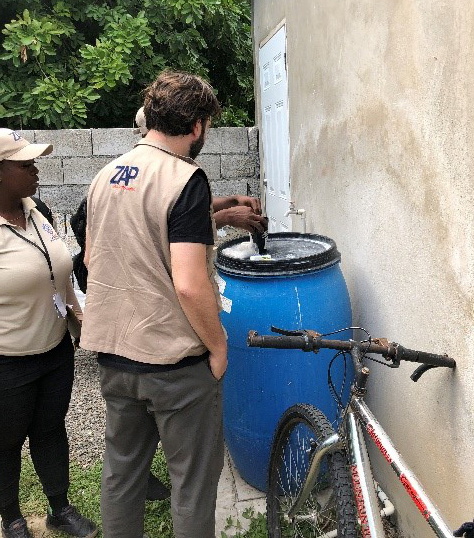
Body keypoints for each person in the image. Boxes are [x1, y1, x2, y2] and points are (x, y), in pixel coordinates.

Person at [81, 70, 228, 538]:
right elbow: (189, 283)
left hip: (114, 358)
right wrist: (218, 346)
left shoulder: (104, 176)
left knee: (122, 475)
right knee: (192, 484)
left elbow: (90, 259)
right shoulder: (186, 179)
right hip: (174, 366)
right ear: (198, 125)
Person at [0, 129, 97, 538]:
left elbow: (58, 277)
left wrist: (79, 318)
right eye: (25, 165)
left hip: (56, 350)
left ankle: (59, 507)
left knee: (50, 430)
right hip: (8, 360)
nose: (35, 170)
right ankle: (12, 518)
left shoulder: (37, 209)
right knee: (6, 442)